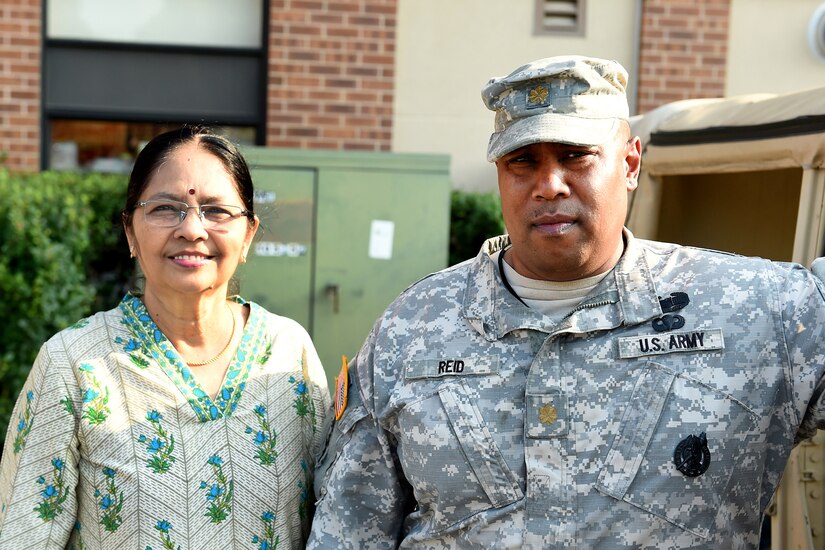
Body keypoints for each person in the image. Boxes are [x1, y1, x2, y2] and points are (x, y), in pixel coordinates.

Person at [307, 55, 825, 548]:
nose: (548, 186)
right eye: (522, 162)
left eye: (575, 156)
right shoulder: (413, 326)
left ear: (629, 163)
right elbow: (350, 527)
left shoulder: (759, 310)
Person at [0, 127, 331, 549]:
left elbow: (334, 518)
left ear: (248, 234)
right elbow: (24, 535)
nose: (192, 229)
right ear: (130, 233)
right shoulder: (74, 363)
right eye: (165, 208)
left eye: (216, 211)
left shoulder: (289, 352)